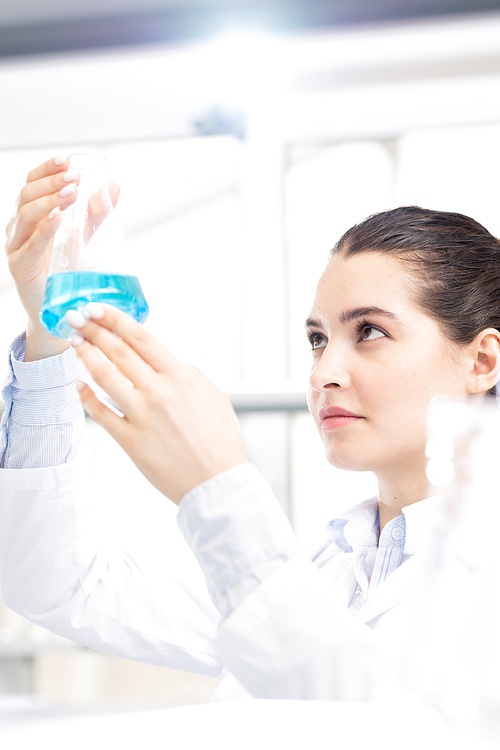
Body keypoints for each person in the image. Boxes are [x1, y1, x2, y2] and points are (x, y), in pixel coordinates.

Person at [1, 156, 499, 702]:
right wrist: (48, 333)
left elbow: (361, 719)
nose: (324, 373)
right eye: (318, 339)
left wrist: (216, 487)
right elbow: (55, 580)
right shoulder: (326, 567)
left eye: (371, 331)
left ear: (481, 362)